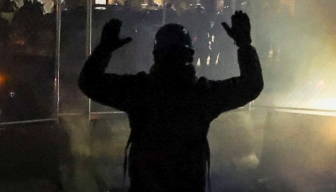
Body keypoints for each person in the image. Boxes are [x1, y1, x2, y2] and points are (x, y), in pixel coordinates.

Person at [78, 10, 263, 191]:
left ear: (156, 55)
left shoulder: (139, 89)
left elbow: (89, 82)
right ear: (190, 56)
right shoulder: (202, 94)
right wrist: (244, 44)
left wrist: (104, 49)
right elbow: (251, 85)